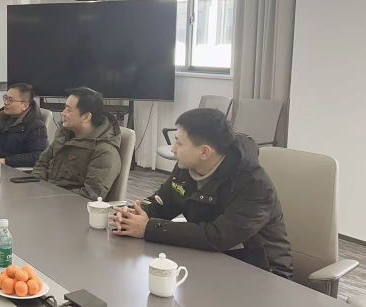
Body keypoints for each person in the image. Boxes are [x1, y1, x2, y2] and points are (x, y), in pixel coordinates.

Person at [110, 108, 294, 279]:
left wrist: (149, 228)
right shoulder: (187, 166)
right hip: (210, 258)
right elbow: (165, 202)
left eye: (179, 143)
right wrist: (135, 213)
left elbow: (218, 237)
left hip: (261, 271)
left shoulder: (255, 185)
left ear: (204, 152)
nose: (173, 150)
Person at [31, 87, 121, 200]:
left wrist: (50, 195)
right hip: (45, 198)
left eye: (68, 110)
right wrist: (37, 186)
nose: (63, 113)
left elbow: (90, 194)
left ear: (86, 117)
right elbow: (42, 163)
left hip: (69, 205)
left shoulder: (104, 151)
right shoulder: (64, 134)